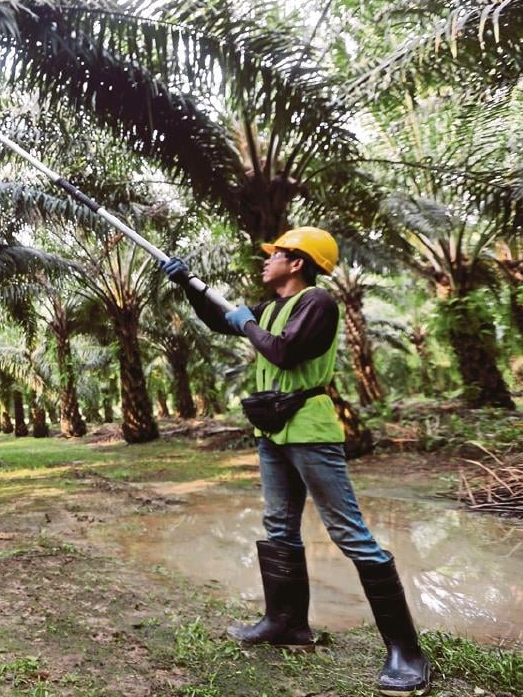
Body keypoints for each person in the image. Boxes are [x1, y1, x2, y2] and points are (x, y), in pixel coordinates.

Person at [160, 227, 430, 697]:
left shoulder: (318, 303)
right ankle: (285, 624)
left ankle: (407, 653)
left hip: (309, 430)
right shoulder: (274, 308)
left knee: (349, 533)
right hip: (272, 429)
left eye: (275, 255)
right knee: (279, 526)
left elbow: (282, 352)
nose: (266, 262)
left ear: (298, 262)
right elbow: (223, 321)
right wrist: (188, 285)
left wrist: (247, 323)